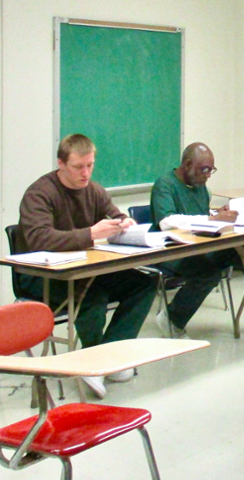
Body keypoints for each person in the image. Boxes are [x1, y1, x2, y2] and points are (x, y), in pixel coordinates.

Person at [17, 134, 158, 399]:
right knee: (92, 296)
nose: (85, 173)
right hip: (42, 275)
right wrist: (90, 234)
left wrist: (123, 221)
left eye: (90, 165)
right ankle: (92, 364)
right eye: (78, 167)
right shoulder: (40, 193)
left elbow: (114, 212)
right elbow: (39, 238)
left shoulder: (92, 189)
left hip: (84, 268)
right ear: (61, 164)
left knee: (145, 282)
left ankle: (110, 354)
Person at [150, 142, 244, 338]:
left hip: (203, 245)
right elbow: (167, 221)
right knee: (208, 273)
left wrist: (217, 213)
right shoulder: (165, 184)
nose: (208, 174)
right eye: (205, 170)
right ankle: (172, 319)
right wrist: (211, 218)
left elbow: (200, 214)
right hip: (173, 250)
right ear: (188, 164)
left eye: (211, 170)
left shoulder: (199, 185)